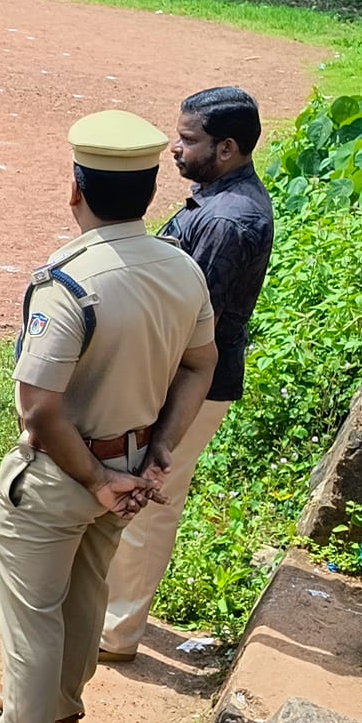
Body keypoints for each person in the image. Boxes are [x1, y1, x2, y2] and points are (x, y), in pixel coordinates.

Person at [0, 110, 217, 723]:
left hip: (64, 473)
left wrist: (95, 476)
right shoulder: (181, 268)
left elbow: (39, 409)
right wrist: (157, 452)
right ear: (150, 191)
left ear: (75, 189)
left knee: (32, 612)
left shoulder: (70, 280)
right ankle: (58, 709)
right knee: (87, 593)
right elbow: (201, 364)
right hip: (133, 464)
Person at [99, 88, 271, 663]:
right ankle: (111, 618)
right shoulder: (217, 202)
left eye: (188, 139)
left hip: (188, 383)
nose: (176, 148)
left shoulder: (227, 221)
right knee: (144, 497)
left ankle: (115, 634)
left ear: (226, 148)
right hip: (185, 376)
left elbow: (192, 322)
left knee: (149, 502)